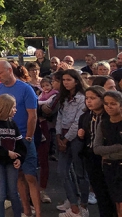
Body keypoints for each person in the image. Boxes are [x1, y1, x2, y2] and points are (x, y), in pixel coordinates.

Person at [0, 60, 41, 217]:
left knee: (30, 176)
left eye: (0, 73)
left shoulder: (26, 89)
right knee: (18, 176)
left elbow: (32, 115)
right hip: (8, 139)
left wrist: (28, 137)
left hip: (24, 137)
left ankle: (39, 213)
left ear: (9, 70)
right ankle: (26, 211)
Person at [55, 69, 89, 217]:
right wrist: (58, 135)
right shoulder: (63, 97)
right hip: (62, 134)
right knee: (63, 171)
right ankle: (73, 203)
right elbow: (59, 117)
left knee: (80, 172)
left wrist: (66, 139)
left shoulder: (82, 98)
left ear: (76, 80)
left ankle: (83, 205)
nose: (66, 83)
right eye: (63, 80)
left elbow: (78, 122)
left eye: (69, 79)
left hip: (75, 137)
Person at [78, 86, 113, 217]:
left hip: (107, 157)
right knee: (99, 191)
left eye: (93, 98)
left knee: (111, 192)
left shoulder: (109, 116)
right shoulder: (85, 116)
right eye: (87, 98)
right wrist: (80, 136)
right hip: (91, 156)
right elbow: (85, 138)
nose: (89, 101)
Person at [94, 90, 122, 217]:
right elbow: (97, 149)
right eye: (106, 104)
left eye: (113, 104)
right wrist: (117, 147)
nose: (109, 107)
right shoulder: (103, 124)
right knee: (115, 201)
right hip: (110, 167)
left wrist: (108, 153)